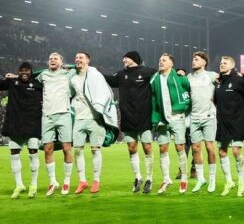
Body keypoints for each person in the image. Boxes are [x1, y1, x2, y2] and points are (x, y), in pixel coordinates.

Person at [104, 51, 157, 194]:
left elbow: (163, 78)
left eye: (125, 58)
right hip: (127, 116)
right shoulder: (121, 74)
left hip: (144, 116)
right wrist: (92, 71)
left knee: (147, 147)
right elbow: (107, 79)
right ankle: (138, 177)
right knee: (132, 148)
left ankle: (149, 179)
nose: (123, 60)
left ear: (133, 59)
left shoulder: (148, 72)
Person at [0, 62, 43, 199]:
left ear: (31, 71)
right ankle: (19, 185)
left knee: (33, 154)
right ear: (18, 71)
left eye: (27, 70)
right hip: (15, 124)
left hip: (33, 123)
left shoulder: (38, 83)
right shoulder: (12, 82)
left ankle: (33, 184)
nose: (24, 72)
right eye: (22, 70)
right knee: (14, 154)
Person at [69, 52, 119, 195]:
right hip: (79, 118)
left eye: (81, 57)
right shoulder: (73, 79)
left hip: (95, 118)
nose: (78, 59)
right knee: (77, 150)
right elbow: (72, 95)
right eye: (76, 57)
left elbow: (105, 93)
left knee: (95, 149)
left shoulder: (96, 75)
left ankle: (96, 180)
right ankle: (82, 181)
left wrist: (100, 109)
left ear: (88, 60)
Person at [34, 52, 75, 196]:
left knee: (66, 148)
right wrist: (14, 77)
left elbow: (79, 67)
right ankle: (53, 182)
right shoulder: (43, 75)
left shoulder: (68, 74)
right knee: (47, 149)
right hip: (47, 116)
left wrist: (68, 66)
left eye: (55, 58)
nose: (52, 60)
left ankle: (67, 181)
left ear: (61, 61)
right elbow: (29, 78)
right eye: (50, 58)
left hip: (64, 114)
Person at [149, 54, 192, 194]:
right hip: (161, 118)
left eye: (164, 60)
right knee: (162, 149)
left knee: (180, 147)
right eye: (160, 60)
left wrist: (186, 109)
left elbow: (189, 90)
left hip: (177, 117)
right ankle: (166, 178)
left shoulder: (180, 78)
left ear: (171, 64)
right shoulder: (154, 79)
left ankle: (184, 178)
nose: (160, 62)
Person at [214, 56, 244, 196]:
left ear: (232, 66)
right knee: (222, 152)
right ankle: (229, 182)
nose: (222, 65)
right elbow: (215, 100)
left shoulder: (239, 80)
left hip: (237, 121)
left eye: (225, 63)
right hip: (222, 121)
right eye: (221, 63)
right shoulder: (218, 82)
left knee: (236, 152)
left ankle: (241, 182)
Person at [187, 52, 220, 193]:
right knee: (195, 148)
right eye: (193, 59)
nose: (193, 61)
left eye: (197, 59)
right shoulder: (188, 77)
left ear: (204, 62)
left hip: (209, 116)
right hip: (194, 117)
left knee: (209, 147)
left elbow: (227, 78)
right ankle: (201, 178)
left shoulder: (211, 75)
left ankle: (212, 179)